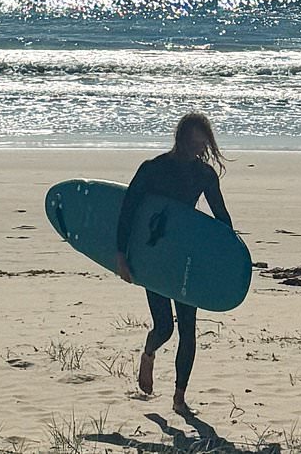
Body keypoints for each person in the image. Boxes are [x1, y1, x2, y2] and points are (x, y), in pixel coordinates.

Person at [115, 112, 233, 417]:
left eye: (201, 143)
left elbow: (221, 217)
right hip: (154, 254)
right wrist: (121, 254)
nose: (197, 149)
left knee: (188, 331)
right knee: (165, 327)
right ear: (180, 138)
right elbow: (128, 210)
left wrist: (229, 254)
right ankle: (149, 352)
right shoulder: (153, 169)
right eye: (192, 142)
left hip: (185, 255)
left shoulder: (204, 175)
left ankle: (179, 398)